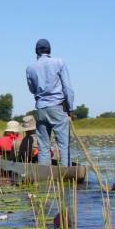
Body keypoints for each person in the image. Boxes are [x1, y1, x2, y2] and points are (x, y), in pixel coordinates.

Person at [26, 39, 75, 167]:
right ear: (49, 51)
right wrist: (70, 109)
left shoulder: (30, 68)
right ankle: (66, 174)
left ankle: (44, 176)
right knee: (63, 145)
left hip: (41, 110)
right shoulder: (59, 62)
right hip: (57, 107)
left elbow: (32, 89)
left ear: (36, 51)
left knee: (43, 146)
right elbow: (68, 88)